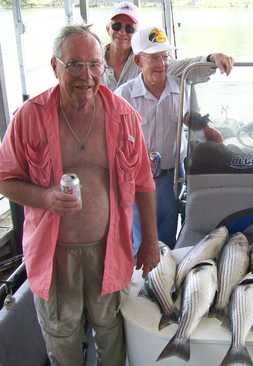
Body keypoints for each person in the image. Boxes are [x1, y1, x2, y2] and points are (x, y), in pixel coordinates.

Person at [0, 24, 160, 365]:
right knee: (62, 337)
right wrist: (44, 198)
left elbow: (145, 182)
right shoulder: (29, 117)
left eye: (93, 65)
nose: (85, 75)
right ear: (55, 65)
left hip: (110, 249)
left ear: (103, 67)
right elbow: (5, 178)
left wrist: (149, 241)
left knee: (112, 332)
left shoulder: (124, 116)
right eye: (74, 64)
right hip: (54, 254)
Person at [115, 26, 233, 251]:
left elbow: (186, 118)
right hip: (137, 179)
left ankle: (163, 278)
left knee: (168, 238)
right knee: (141, 241)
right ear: (139, 61)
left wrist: (207, 130)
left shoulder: (181, 87)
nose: (161, 64)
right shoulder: (124, 95)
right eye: (153, 58)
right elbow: (111, 140)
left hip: (172, 175)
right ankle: (142, 281)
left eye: (164, 56)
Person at [102, 1, 213, 91]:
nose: (122, 32)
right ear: (108, 28)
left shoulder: (145, 59)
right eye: (116, 26)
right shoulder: (94, 59)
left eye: (129, 29)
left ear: (136, 34)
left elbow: (182, 67)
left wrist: (211, 59)